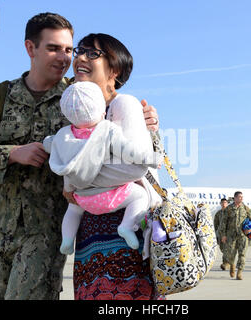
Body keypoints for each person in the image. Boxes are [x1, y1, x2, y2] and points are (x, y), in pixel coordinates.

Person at [0, 13, 159, 300]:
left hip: (48, 233)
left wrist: (148, 121)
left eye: (68, 49)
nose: (65, 58)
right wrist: (12, 154)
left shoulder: (84, 99)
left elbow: (123, 121)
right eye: (53, 48)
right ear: (30, 48)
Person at [68, 33, 164, 300]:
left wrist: (77, 182)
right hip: (91, 235)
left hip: (124, 234)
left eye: (92, 53)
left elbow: (135, 166)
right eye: (80, 51)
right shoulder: (79, 111)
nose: (81, 58)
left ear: (115, 70)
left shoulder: (123, 104)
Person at [43, 81, 160, 253]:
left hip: (81, 198)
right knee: (140, 196)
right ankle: (126, 226)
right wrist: (151, 158)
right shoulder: (107, 130)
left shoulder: (63, 135)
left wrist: (44, 143)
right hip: (108, 199)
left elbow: (48, 143)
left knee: (73, 210)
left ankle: (67, 240)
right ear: (103, 110)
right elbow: (129, 151)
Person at [219, 191, 251, 280]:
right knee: (230, 253)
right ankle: (232, 265)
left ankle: (239, 272)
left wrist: (250, 229)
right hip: (231, 236)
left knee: (242, 254)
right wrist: (223, 235)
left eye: (242, 197)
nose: (241, 198)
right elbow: (223, 222)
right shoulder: (229, 209)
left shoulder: (246, 209)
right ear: (234, 198)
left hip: (243, 236)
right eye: (239, 197)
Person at [213, 198, 229, 270]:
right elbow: (215, 224)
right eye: (222, 202)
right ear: (220, 204)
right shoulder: (218, 213)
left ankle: (225, 263)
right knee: (222, 249)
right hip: (221, 234)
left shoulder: (230, 213)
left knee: (226, 249)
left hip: (228, 234)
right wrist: (213, 233)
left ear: (227, 204)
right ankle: (228, 262)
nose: (223, 204)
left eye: (225, 202)